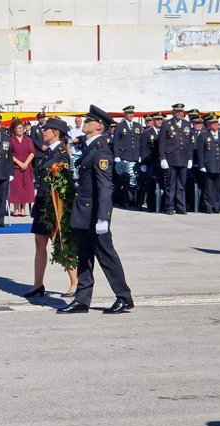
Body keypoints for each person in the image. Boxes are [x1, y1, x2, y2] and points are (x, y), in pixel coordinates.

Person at [57, 105, 133, 315]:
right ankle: (82, 300)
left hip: (94, 215)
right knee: (84, 257)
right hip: (84, 213)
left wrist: (103, 218)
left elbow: (105, 188)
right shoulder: (90, 147)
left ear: (99, 126)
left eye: (88, 120)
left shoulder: (101, 151)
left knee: (106, 257)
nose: (85, 122)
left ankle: (124, 297)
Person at [24, 117, 77, 298]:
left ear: (56, 132)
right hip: (43, 201)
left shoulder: (61, 153)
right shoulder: (48, 152)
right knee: (40, 242)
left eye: (47, 129)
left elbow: (62, 181)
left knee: (61, 242)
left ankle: (75, 281)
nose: (43, 132)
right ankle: (38, 284)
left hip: (54, 204)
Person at [158, 103, 193, 215]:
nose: (179, 113)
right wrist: (163, 158)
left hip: (183, 158)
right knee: (170, 184)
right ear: (172, 112)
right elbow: (162, 143)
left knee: (182, 184)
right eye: (177, 111)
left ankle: (180, 207)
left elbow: (189, 143)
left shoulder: (187, 124)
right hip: (171, 158)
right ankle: (169, 207)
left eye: (181, 111)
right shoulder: (167, 124)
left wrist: (190, 158)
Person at [197, 114, 220, 214]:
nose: (215, 125)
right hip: (209, 164)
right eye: (213, 123)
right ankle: (208, 207)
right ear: (209, 124)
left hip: (219, 164)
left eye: (216, 123)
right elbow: (200, 152)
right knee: (208, 187)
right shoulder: (203, 135)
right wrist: (202, 165)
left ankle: (216, 206)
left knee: (218, 187)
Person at [8, 118, 35, 217]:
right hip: (15, 167)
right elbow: (10, 154)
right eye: (17, 128)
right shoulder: (11, 140)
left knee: (26, 187)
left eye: (21, 128)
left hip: (27, 166)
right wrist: (19, 163)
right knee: (16, 187)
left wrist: (26, 164)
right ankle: (15, 208)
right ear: (14, 129)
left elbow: (32, 152)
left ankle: (23, 208)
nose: (20, 130)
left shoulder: (28, 139)